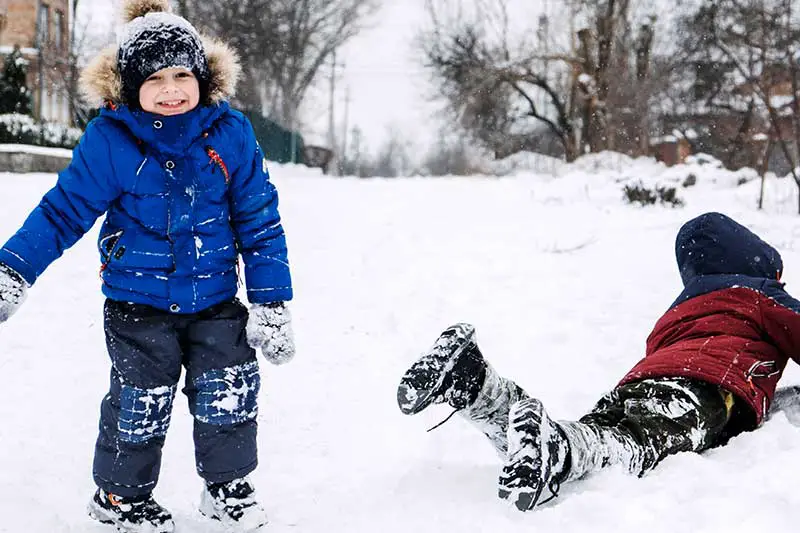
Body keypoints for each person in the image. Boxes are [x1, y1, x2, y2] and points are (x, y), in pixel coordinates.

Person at [0, 1, 293, 531]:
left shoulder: (231, 134)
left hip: (216, 300)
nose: (172, 88)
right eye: (155, 77)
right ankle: (118, 499)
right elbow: (63, 211)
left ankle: (227, 489)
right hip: (138, 304)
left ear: (204, 77)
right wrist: (13, 269)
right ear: (130, 85)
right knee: (140, 404)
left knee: (230, 393)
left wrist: (271, 303)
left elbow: (259, 220)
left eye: (183, 73)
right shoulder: (111, 141)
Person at [397, 211, 800, 511]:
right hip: (704, 390)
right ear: (754, 260)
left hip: (640, 384)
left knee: (592, 434)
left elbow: (661, 352)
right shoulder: (759, 293)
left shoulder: (678, 310)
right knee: (633, 444)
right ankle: (554, 449)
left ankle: (479, 388)